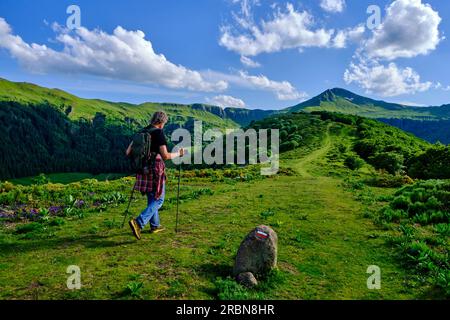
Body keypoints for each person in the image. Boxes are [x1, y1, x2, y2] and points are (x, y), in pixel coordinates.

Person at [126, 111, 184, 240]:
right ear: (161, 121)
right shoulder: (158, 133)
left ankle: (155, 225)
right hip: (155, 168)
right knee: (159, 199)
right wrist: (178, 154)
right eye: (164, 123)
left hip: (142, 168)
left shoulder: (141, 131)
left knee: (152, 197)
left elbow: (128, 151)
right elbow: (165, 156)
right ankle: (139, 222)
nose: (164, 125)